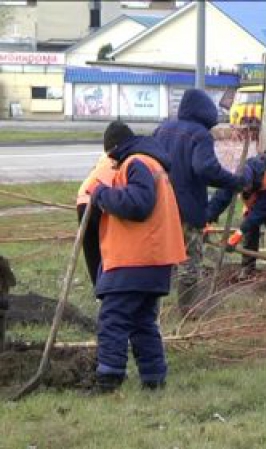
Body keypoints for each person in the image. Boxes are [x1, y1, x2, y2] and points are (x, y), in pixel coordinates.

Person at [88, 121, 186, 393]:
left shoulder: (135, 162)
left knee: (113, 319)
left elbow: (138, 204)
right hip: (154, 259)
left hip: (134, 259)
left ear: (114, 149)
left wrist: (102, 195)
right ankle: (154, 380)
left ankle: (109, 379)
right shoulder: (152, 162)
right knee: (142, 322)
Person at [153, 89, 243, 310]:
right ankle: (188, 308)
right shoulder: (200, 135)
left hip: (158, 204)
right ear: (206, 113)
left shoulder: (162, 129)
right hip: (187, 207)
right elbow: (205, 168)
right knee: (189, 259)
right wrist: (233, 181)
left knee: (158, 255)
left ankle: (153, 307)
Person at [207, 147, 266, 277]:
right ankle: (248, 267)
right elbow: (221, 197)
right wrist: (207, 218)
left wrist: (239, 232)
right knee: (250, 232)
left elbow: (260, 213)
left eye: (245, 188)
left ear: (252, 182)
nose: (242, 191)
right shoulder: (238, 176)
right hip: (256, 200)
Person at [76, 154, 115, 287]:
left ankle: (99, 288)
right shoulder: (129, 158)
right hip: (102, 201)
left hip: (84, 198)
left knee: (93, 253)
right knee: (111, 253)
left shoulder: (106, 156)